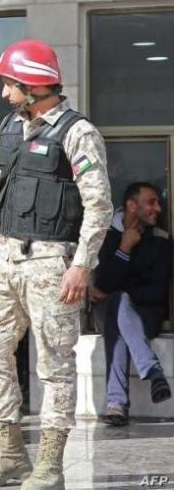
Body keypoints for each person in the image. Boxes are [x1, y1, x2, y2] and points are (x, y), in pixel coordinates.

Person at [0, 39, 112, 490]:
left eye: (11, 83)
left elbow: (99, 205)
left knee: (55, 364)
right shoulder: (10, 128)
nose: (5, 92)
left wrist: (82, 265)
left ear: (33, 84)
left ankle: (50, 463)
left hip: (52, 262)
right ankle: (10, 454)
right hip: (3, 257)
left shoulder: (77, 132)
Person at [92, 182, 172, 426]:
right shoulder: (105, 235)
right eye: (151, 202)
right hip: (107, 311)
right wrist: (124, 248)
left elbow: (156, 293)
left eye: (158, 203)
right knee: (118, 303)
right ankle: (153, 371)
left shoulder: (161, 240)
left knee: (119, 308)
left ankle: (116, 404)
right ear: (131, 205)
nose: (158, 209)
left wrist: (116, 288)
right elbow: (103, 281)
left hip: (145, 315)